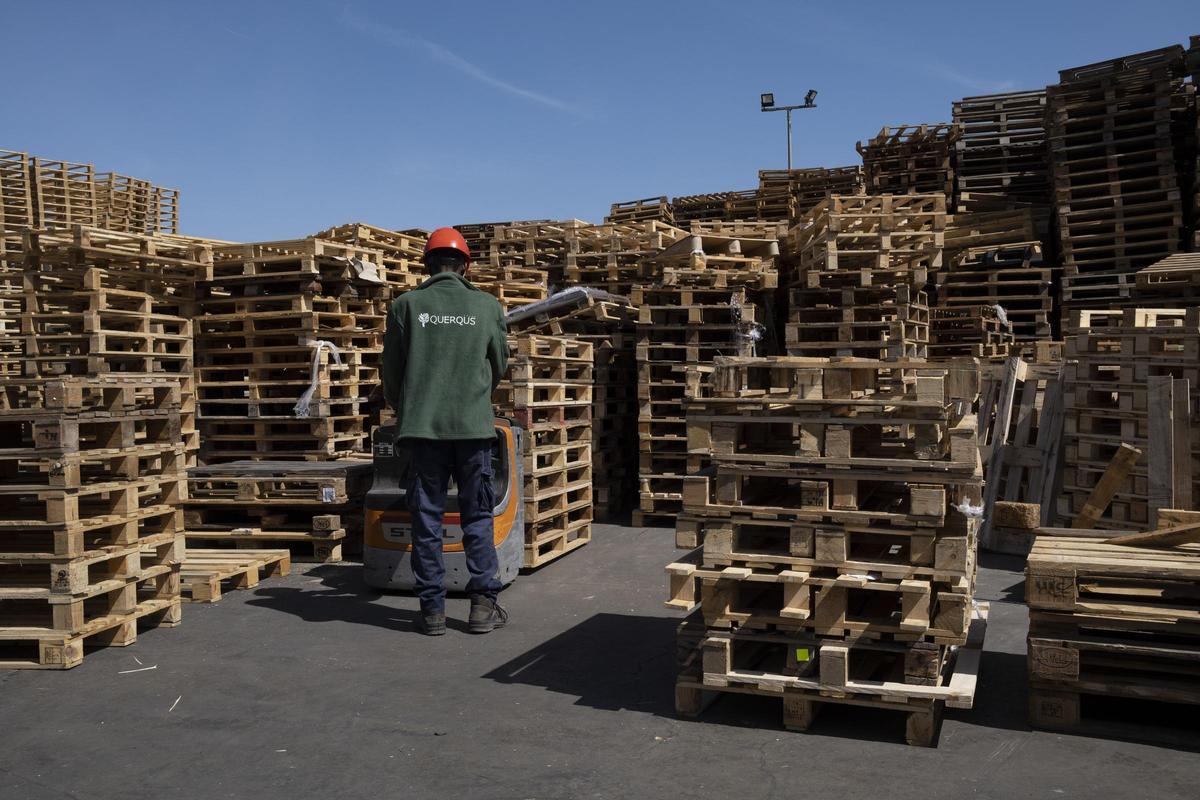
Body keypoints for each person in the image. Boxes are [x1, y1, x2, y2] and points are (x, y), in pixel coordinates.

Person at [382, 227, 509, 636]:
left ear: (427, 264)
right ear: (466, 265)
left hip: (424, 431)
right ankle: (481, 606)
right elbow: (500, 363)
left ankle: (433, 611)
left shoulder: (407, 306)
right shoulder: (486, 306)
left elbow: (392, 370)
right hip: (472, 430)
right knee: (477, 516)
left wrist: (408, 407)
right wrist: (474, 398)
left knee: (427, 520)